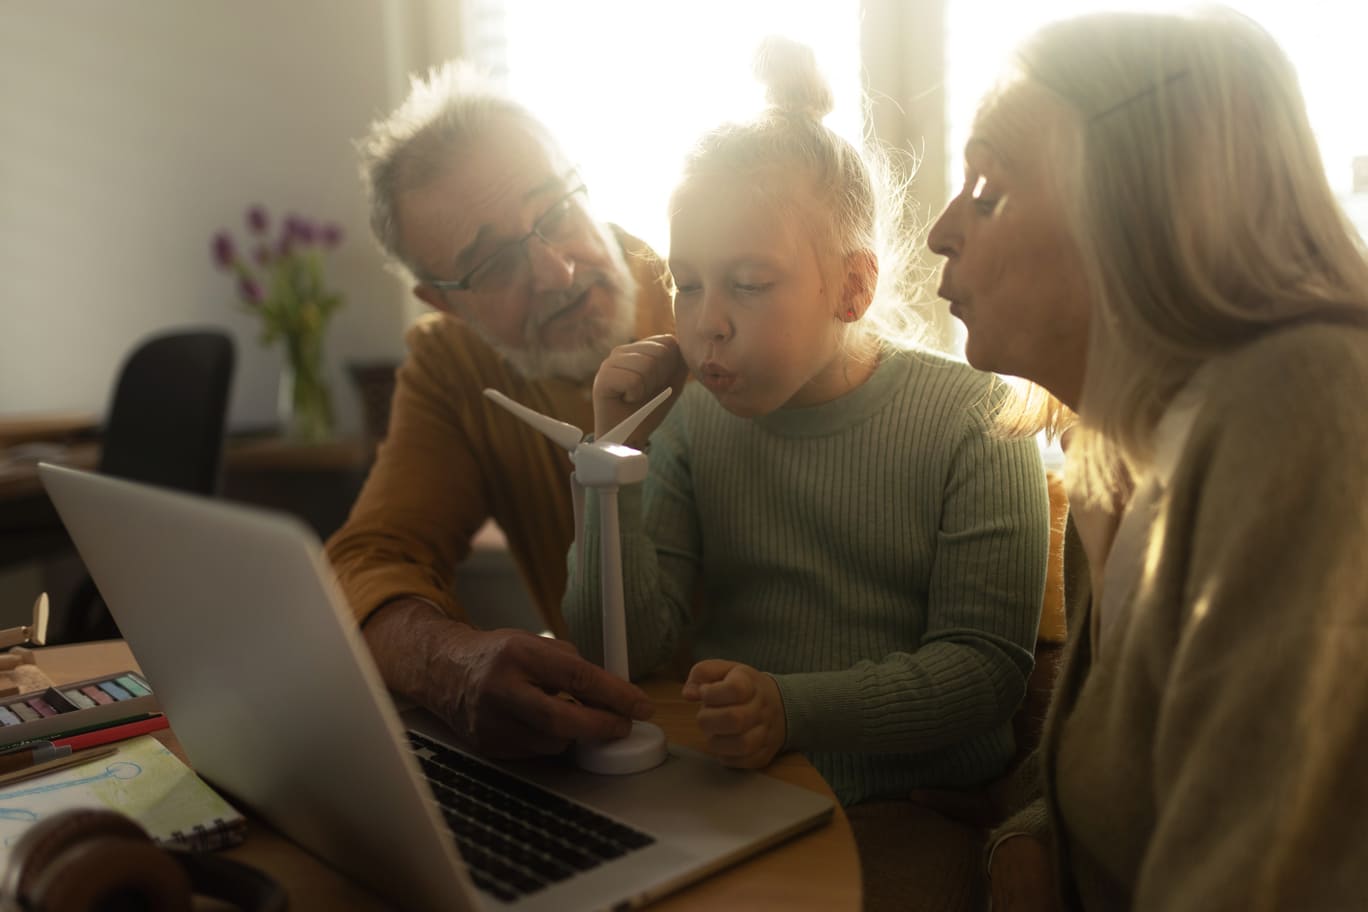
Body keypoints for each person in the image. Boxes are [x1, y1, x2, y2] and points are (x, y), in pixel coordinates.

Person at [562, 38, 1051, 911]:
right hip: (728, 793)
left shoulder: (976, 418)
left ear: (852, 288)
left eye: (748, 284)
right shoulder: (692, 421)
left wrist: (792, 709)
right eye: (687, 283)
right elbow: (629, 651)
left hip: (905, 810)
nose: (706, 324)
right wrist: (609, 460)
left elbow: (984, 672)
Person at [928, 8, 1368, 910]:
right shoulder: (1114, 459)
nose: (940, 230)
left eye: (990, 189)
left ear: (1143, 201)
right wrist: (1030, 840)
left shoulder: (1307, 397)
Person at [325, 62, 676, 759]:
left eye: (556, 212)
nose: (557, 271)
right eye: (493, 266)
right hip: (612, 753)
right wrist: (442, 659)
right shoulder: (454, 366)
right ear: (446, 303)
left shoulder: (722, 297)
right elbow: (370, 558)